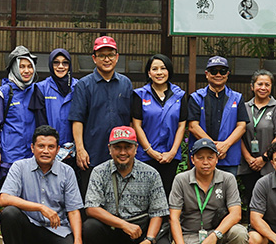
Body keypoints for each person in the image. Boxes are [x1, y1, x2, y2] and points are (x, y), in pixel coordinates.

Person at [0, 125, 87, 244]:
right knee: (9, 213)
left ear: (57, 149)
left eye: (51, 147)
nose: (45, 151)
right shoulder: (20, 167)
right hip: (29, 227)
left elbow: (74, 211)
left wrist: (78, 242)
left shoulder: (67, 172)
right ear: (32, 148)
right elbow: (4, 198)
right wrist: (39, 207)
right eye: (41, 146)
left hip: (56, 229)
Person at [82, 126, 171, 244]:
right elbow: (91, 208)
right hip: (112, 228)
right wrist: (123, 225)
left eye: (127, 147)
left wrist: (149, 240)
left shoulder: (151, 174)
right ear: (110, 149)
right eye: (117, 147)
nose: (123, 152)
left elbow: (158, 212)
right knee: (90, 226)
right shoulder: (99, 171)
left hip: (140, 230)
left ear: (136, 149)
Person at [168, 138, 248, 244]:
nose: (206, 162)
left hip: (217, 233)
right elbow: (174, 217)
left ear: (217, 159)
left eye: (210, 157)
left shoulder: (227, 179)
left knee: (240, 232)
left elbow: (236, 214)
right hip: (190, 234)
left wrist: (215, 235)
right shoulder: (181, 180)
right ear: (192, 159)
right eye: (200, 157)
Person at [69, 36, 133, 196]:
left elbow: (132, 120)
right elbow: (77, 119)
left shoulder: (126, 84)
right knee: (91, 199)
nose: (107, 59)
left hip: (121, 155)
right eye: (102, 55)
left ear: (117, 57)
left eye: (110, 55)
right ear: (94, 58)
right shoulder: (84, 85)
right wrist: (80, 149)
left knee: (119, 198)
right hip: (92, 154)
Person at [0, 46, 46, 187]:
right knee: (12, 199)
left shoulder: (36, 90)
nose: (27, 71)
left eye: (29, 66)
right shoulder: (5, 93)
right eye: (22, 66)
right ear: (14, 68)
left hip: (32, 155)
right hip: (10, 156)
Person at [131, 54, 186, 196]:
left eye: (163, 68)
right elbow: (137, 125)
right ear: (149, 73)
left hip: (170, 156)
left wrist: (173, 152)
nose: (159, 72)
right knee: (145, 194)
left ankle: (166, 219)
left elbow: (182, 125)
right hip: (146, 156)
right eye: (154, 69)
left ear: (169, 71)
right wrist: (150, 151)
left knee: (167, 193)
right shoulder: (139, 95)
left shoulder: (179, 95)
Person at [187, 56, 247, 175]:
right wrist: (213, 148)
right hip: (202, 157)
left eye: (223, 71)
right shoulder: (196, 97)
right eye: (214, 71)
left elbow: (242, 126)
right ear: (207, 74)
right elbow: (193, 126)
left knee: (226, 192)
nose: (218, 74)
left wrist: (225, 145)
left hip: (228, 157)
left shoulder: (237, 98)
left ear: (228, 74)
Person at [238, 69, 276, 206]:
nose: (263, 88)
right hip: (248, 164)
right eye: (259, 84)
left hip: (270, 164)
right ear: (252, 86)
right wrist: (249, 158)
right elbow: (239, 135)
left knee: (270, 199)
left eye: (267, 85)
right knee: (250, 198)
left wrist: (264, 158)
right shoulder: (244, 107)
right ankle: (252, 226)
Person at [37, 49, 77, 168]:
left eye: (65, 63)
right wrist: (51, 147)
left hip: (73, 153)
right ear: (50, 64)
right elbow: (40, 121)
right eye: (56, 62)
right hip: (49, 152)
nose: (60, 66)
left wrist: (74, 147)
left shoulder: (78, 87)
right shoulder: (41, 88)